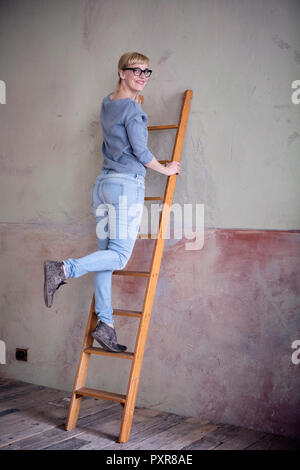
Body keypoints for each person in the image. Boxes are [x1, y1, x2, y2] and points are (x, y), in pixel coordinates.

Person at [43, 52, 181, 353]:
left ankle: (105, 324)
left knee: (106, 259)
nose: (142, 76)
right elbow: (142, 155)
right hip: (124, 187)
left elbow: (120, 130)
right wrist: (167, 169)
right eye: (136, 71)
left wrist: (135, 106)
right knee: (119, 257)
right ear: (121, 72)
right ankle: (63, 269)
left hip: (103, 186)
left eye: (147, 72)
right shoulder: (131, 109)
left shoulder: (108, 102)